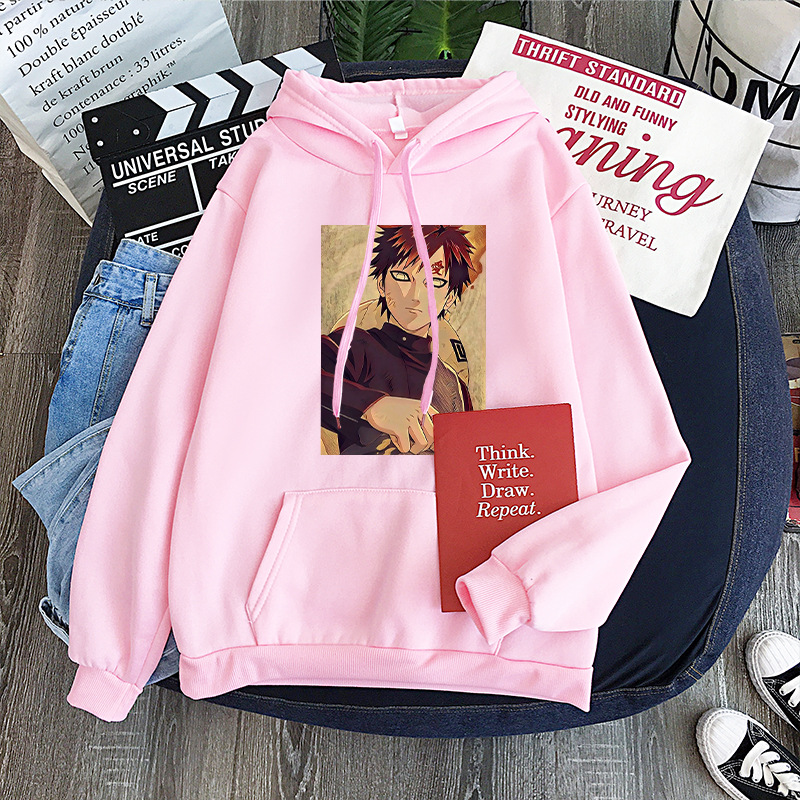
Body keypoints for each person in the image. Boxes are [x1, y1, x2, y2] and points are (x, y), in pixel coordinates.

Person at [321, 224, 479, 455]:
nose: (415, 296)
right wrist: (373, 406)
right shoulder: (355, 346)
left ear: (449, 298)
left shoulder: (455, 386)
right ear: (381, 284)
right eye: (402, 277)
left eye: (434, 282)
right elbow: (298, 379)